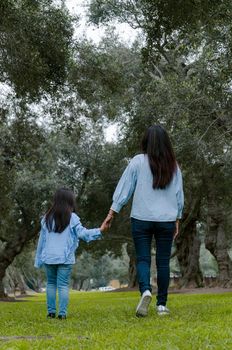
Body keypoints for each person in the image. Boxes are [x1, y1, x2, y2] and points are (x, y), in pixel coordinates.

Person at [101, 125, 184, 317]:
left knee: (143, 259)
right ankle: (161, 305)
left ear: (146, 142)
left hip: (141, 218)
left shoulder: (138, 161)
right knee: (163, 262)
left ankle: (145, 290)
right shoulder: (174, 166)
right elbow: (179, 195)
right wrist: (178, 218)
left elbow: (124, 189)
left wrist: (111, 213)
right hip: (167, 220)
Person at [34, 188, 108, 319]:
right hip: (65, 257)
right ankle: (62, 314)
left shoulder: (46, 218)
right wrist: (100, 230)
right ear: (70, 201)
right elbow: (83, 234)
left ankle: (51, 312)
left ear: (55, 201)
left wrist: (39, 258)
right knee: (62, 285)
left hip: (49, 257)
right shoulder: (72, 218)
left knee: (51, 284)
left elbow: (42, 240)